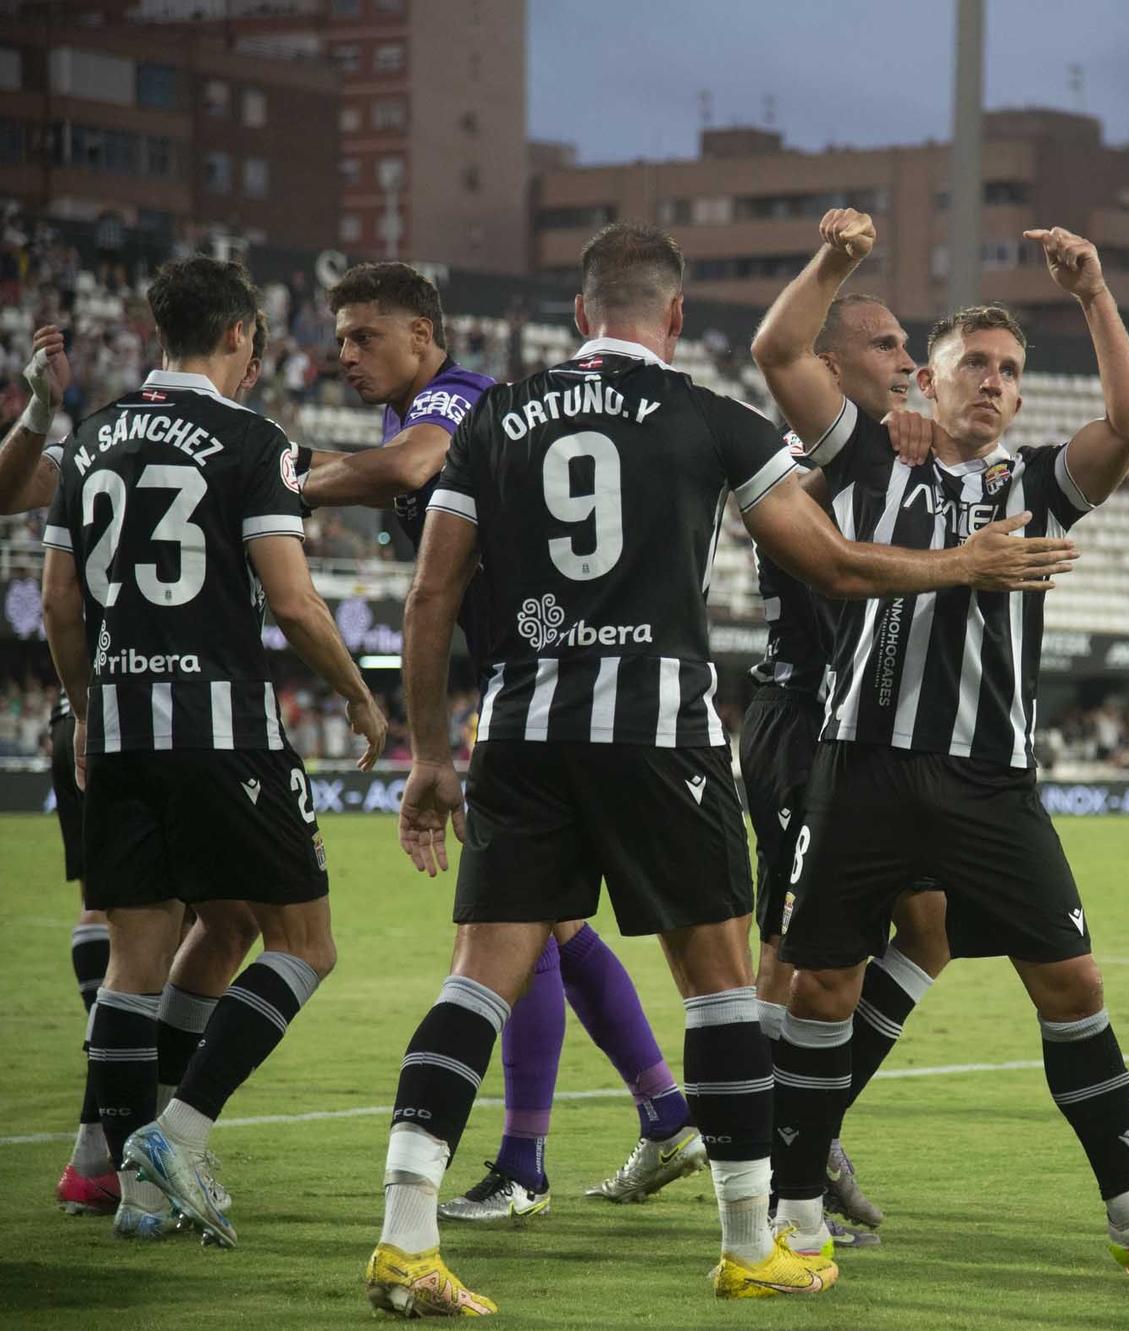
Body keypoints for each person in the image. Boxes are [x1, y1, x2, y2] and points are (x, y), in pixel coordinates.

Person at [365, 220, 1074, 1313]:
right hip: (660, 733)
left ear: (580, 314)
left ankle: (405, 1237)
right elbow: (834, 566)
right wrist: (962, 561)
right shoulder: (708, 418)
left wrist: (427, 752)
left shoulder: (495, 416)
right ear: (676, 316)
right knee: (719, 990)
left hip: (520, 729)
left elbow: (429, 595)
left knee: (475, 982)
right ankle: (750, 1242)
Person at [752, 209, 1129, 1271]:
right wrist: (836, 259)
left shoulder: (1037, 484)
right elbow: (779, 352)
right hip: (862, 764)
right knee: (822, 986)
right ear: (924, 382)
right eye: (973, 363)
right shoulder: (872, 459)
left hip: (993, 781)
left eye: (1010, 370)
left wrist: (1093, 293)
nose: (992, 380)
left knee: (1073, 984)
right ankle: (794, 1218)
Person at [300, 262, 701, 1222]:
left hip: (552, 694)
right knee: (547, 923)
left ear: (423, 334)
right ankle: (660, 1113)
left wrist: (279, 479)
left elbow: (411, 470)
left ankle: (531, 1162)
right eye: (341, 337)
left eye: (365, 335)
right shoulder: (418, 413)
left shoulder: (461, 398)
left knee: (516, 926)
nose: (345, 354)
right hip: (527, 691)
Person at [39, 256, 387, 1247]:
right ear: (239, 334)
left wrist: (85, 709)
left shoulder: (92, 437)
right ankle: (177, 1134)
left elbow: (61, 601)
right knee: (304, 943)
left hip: (122, 729)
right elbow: (292, 599)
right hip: (221, 729)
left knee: (139, 957)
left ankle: (128, 1184)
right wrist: (358, 694)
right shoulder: (250, 439)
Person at [0, 321, 270, 1220]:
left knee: (169, 928)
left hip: (98, 713)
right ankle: (128, 1153)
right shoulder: (215, 441)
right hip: (156, 717)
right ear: (236, 343)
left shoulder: (100, 438)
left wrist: (43, 411)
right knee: (167, 933)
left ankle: (101, 1154)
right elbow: (0, 497)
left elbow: (3, 501)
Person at [744, 292, 955, 1238]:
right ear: (828, 367)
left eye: (910, 345)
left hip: (865, 734)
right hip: (800, 727)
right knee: (789, 959)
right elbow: (814, 534)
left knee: (933, 926)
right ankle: (769, 1165)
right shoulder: (797, 462)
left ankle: (810, 1129)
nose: (907, 360)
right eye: (885, 344)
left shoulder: (889, 456)